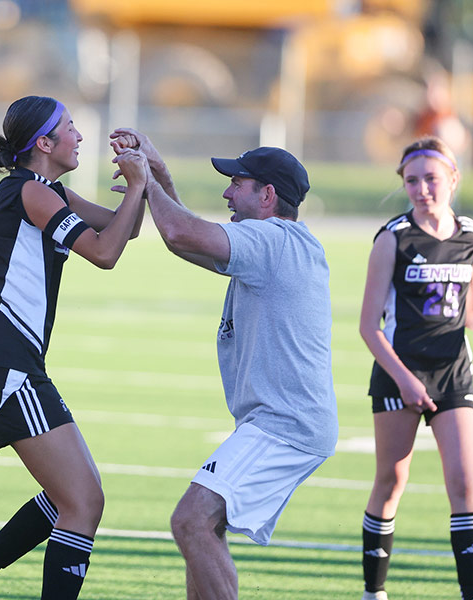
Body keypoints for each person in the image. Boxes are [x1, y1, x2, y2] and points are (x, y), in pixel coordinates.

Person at [108, 128, 338, 600]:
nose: (227, 192)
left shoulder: (271, 240)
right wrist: (160, 174)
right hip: (276, 422)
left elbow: (178, 230)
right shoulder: (276, 242)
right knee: (204, 529)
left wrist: (145, 181)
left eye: (238, 183)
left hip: (284, 425)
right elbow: (186, 241)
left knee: (190, 521)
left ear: (267, 195)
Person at [0, 96, 146, 600]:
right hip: (4, 365)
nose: (79, 136)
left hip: (7, 364)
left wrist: (146, 178)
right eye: (70, 128)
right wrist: (138, 186)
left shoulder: (46, 192)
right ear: (44, 144)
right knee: (84, 502)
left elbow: (126, 227)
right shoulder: (31, 192)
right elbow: (105, 252)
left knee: (70, 495)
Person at [358, 136, 473, 600]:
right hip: (399, 372)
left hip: (453, 373)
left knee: (462, 483)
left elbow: (471, 310)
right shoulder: (392, 239)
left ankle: (472, 595)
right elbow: (368, 326)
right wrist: (404, 379)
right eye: (411, 181)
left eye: (431, 178)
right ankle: (374, 592)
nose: (421, 189)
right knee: (391, 481)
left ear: (453, 178)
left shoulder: (470, 236)